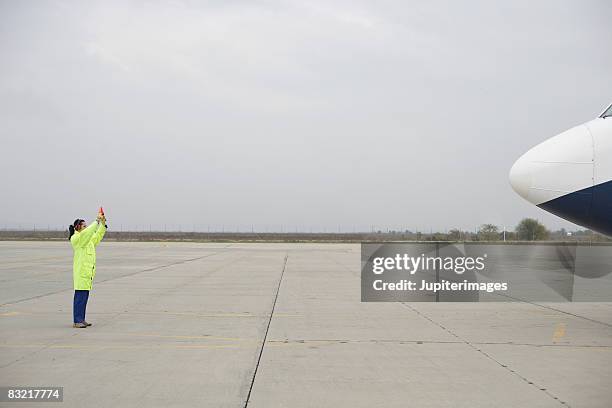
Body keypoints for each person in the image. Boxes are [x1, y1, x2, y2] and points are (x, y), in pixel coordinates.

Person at [68, 210, 107, 328]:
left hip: (87, 274)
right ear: (77, 227)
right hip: (81, 273)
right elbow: (88, 232)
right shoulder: (77, 238)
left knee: (84, 298)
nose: (86, 227)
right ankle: (77, 320)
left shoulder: (88, 240)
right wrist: (96, 220)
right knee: (79, 298)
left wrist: (103, 224)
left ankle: (81, 319)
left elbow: (97, 235)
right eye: (84, 225)